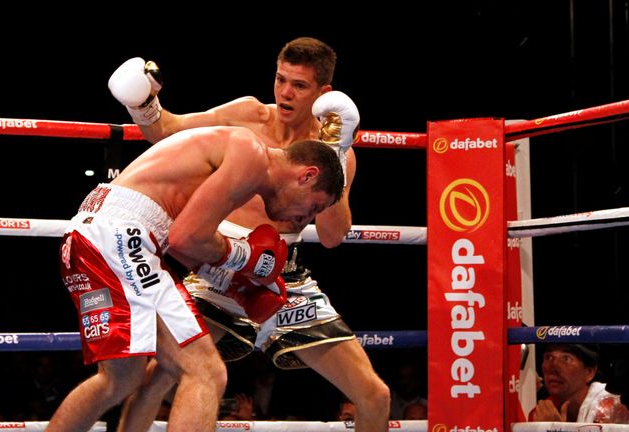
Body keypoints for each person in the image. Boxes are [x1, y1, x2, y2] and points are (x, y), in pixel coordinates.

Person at [109, 36, 391, 432]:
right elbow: (169, 129)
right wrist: (142, 102)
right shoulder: (248, 116)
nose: (285, 93)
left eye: (299, 85)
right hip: (219, 270)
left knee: (375, 396)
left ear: (325, 93)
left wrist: (337, 153)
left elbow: (332, 235)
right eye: (280, 80)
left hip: (285, 279)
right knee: (158, 377)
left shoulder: (338, 151)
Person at [47, 125, 344, 432]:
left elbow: (187, 242)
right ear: (307, 175)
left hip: (93, 236)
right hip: (124, 239)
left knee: (120, 379)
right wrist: (246, 256)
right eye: (315, 208)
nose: (304, 220)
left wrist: (233, 283)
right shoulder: (251, 154)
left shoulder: (234, 165)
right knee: (205, 372)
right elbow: (185, 237)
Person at [529, 344, 629, 424]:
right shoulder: (542, 412)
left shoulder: (611, 409)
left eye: (566, 359)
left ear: (589, 372)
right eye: (548, 357)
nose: (553, 366)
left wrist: (555, 430)